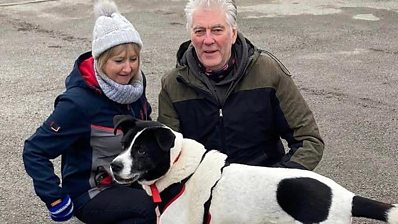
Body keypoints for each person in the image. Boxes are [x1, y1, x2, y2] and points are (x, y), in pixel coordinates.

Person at [22, 0, 156, 223]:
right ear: (101, 61)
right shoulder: (78, 103)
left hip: (130, 178)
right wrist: (54, 198)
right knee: (148, 208)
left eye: (134, 59)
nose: (128, 68)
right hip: (92, 192)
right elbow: (34, 150)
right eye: (119, 60)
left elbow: (146, 129)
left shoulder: (134, 88)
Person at [157, 0, 324, 171]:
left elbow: (309, 141)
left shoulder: (268, 73)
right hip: (203, 189)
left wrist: (275, 181)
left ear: (233, 33)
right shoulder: (173, 84)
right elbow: (166, 152)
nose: (208, 40)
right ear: (191, 35)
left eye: (217, 30)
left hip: (263, 185)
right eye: (199, 31)